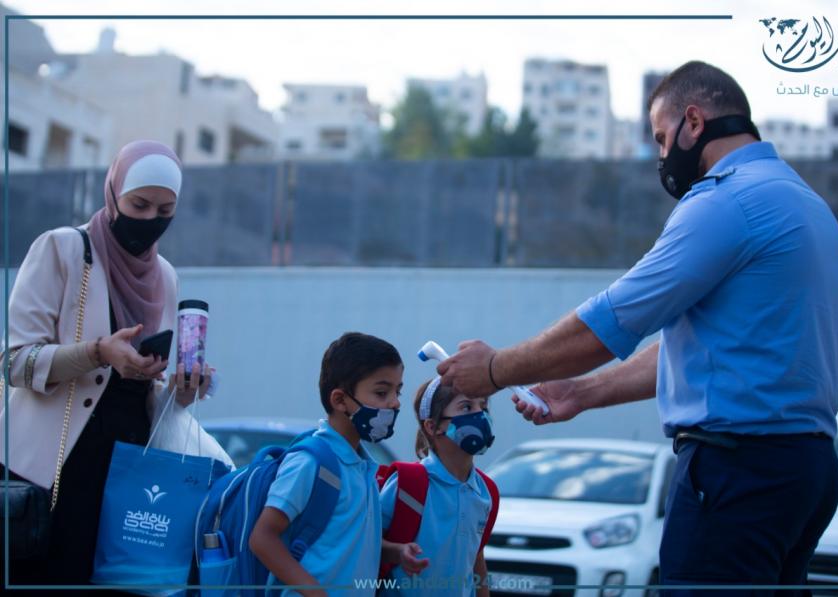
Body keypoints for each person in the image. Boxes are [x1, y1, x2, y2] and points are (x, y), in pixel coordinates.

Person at [437, 61, 838, 595]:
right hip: (805, 470)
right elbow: (708, 347)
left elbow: (610, 321)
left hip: (738, 472)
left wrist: (494, 369)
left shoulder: (726, 202)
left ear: (693, 122)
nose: (661, 155)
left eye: (660, 137)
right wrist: (581, 392)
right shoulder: (806, 203)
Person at [0, 140, 213, 589]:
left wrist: (181, 390)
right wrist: (97, 352)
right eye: (139, 205)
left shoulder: (164, 276)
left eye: (165, 210)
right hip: (49, 472)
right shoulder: (63, 249)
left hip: (125, 474)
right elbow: (14, 362)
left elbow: (141, 387)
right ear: (113, 193)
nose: (150, 219)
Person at [249, 332, 403, 596]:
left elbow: (344, 541)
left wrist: (396, 552)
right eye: (382, 392)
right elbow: (262, 538)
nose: (395, 402)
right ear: (340, 400)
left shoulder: (363, 466)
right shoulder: (310, 462)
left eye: (397, 391)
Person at [379, 378, 496, 596]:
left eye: (484, 406)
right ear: (432, 426)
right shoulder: (407, 484)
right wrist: (397, 552)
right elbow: (366, 542)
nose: (480, 414)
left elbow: (475, 557)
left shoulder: (486, 491)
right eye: (466, 407)